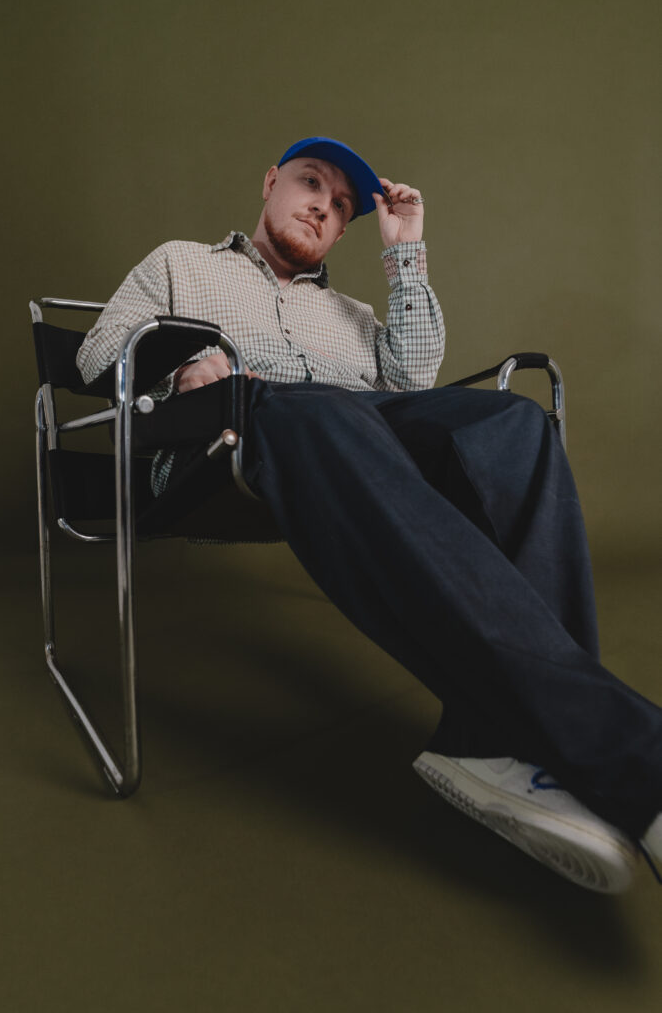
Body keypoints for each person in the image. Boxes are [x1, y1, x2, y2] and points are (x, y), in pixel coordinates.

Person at [77, 137, 662, 893]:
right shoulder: (181, 264)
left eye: (341, 205)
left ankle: (501, 745)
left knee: (512, 423)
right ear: (270, 183)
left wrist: (404, 254)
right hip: (230, 434)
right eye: (310, 183)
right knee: (322, 410)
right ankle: (624, 759)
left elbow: (414, 384)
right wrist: (183, 364)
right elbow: (98, 352)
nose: (323, 206)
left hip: (354, 438)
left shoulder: (349, 314)